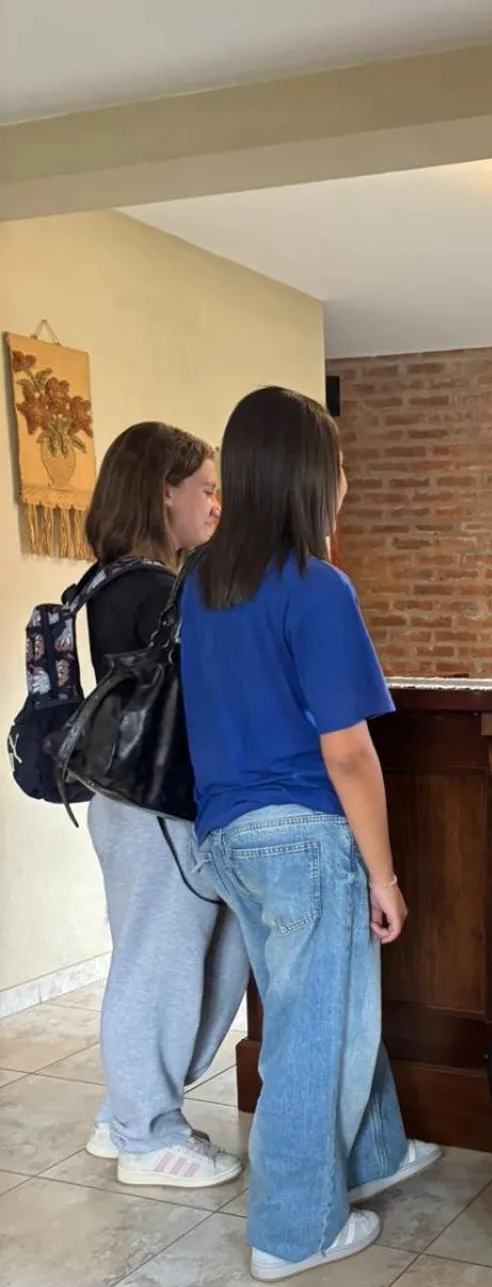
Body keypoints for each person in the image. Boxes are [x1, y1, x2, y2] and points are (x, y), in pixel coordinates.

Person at [180, 385, 440, 1281]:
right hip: (300, 834)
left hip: (227, 837)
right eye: (338, 463)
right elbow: (350, 754)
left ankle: (371, 1156)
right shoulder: (316, 586)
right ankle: (292, 1230)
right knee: (311, 1031)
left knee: (325, 1010)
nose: (347, 479)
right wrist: (387, 874)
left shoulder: (202, 584)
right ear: (309, 476)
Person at [82, 422, 246, 1189]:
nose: (215, 502)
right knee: (160, 964)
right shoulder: (151, 588)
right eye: (206, 488)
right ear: (164, 492)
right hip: (157, 809)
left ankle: (132, 1112)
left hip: (134, 805)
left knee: (171, 958)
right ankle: (146, 1132)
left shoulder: (120, 581)